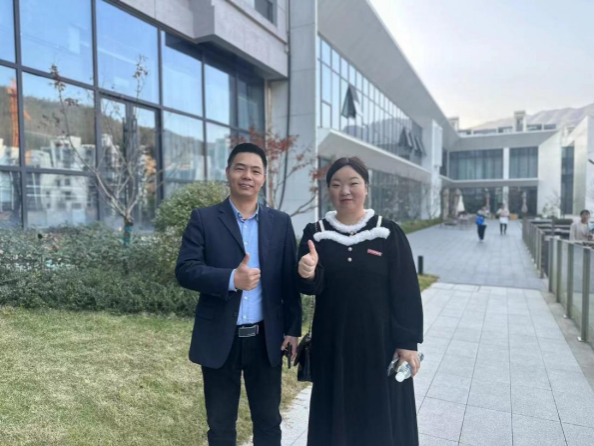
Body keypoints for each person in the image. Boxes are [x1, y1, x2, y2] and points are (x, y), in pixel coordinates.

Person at [176, 143, 302, 446]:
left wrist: (292, 330)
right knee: (220, 426)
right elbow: (186, 270)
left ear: (264, 179)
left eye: (256, 171)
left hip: (266, 338)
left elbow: (289, 282)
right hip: (220, 336)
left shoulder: (280, 222)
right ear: (228, 172)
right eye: (240, 168)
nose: (248, 176)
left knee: (269, 423)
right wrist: (232, 278)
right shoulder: (204, 218)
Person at [297, 157, 423, 446]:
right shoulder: (316, 233)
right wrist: (306, 271)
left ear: (366, 188)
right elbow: (309, 286)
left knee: (380, 418)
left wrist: (407, 344)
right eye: (336, 184)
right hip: (333, 344)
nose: (345, 191)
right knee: (335, 417)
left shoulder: (387, 232)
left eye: (353, 183)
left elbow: (406, 290)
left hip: (381, 345)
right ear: (328, 190)